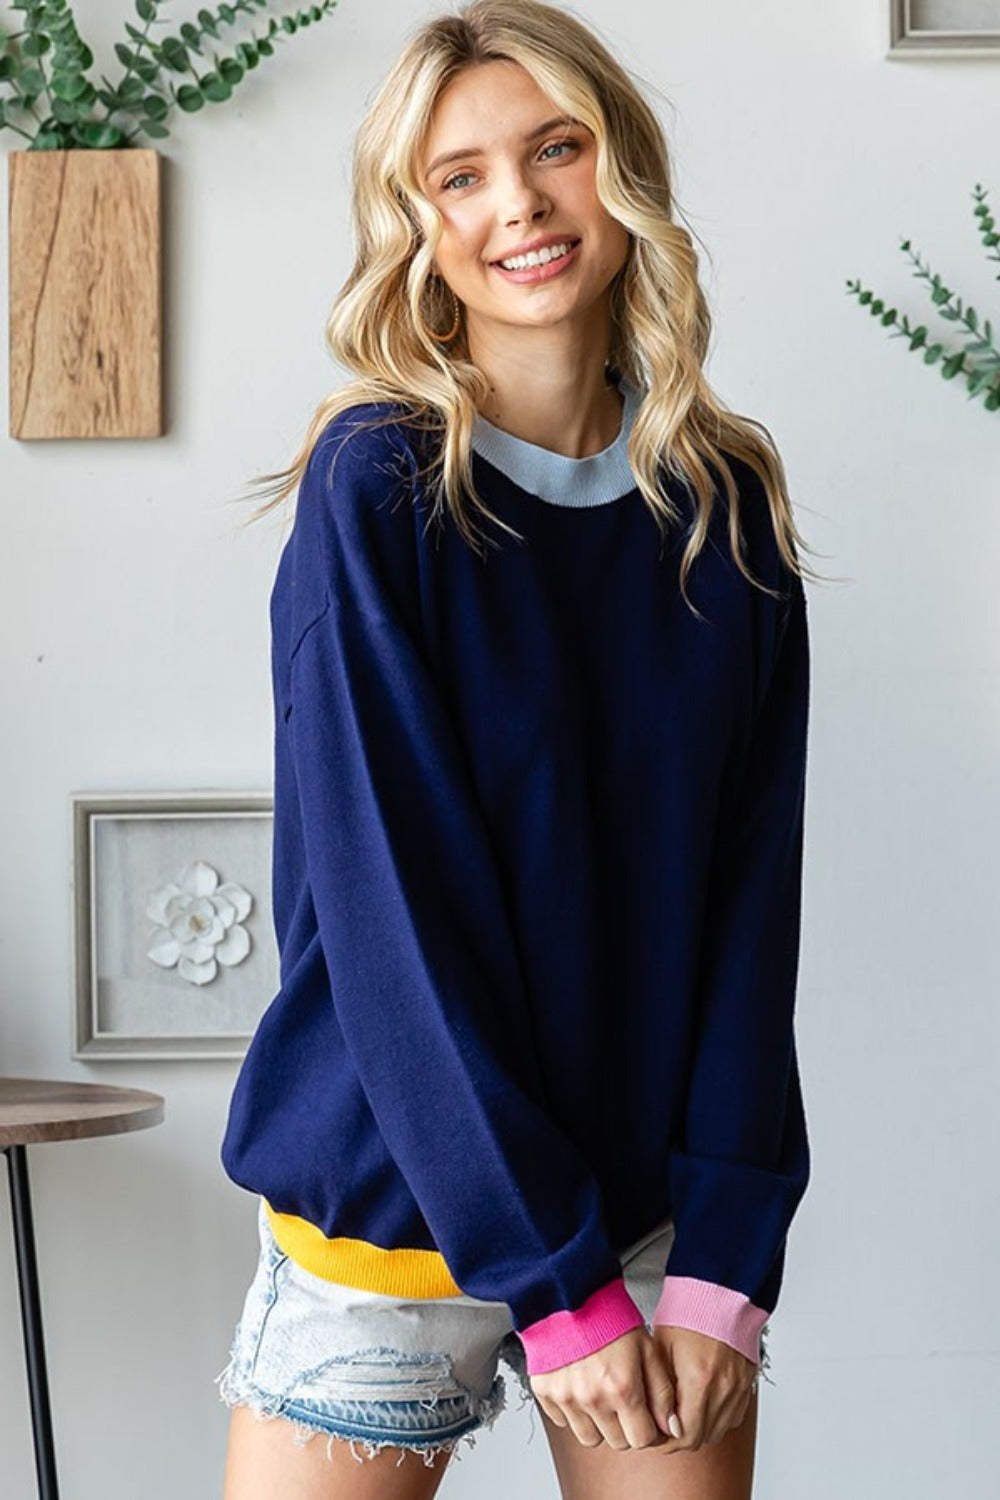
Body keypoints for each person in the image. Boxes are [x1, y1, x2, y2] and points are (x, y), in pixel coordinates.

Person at [216, 2, 817, 1496]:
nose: (522, 207)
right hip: (396, 1219)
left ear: (623, 173)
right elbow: (388, 918)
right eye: (461, 176)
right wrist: (552, 1283)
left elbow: (753, 910)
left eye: (557, 149)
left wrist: (728, 1255)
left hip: (653, 1229)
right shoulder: (378, 489)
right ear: (416, 227)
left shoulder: (723, 505)